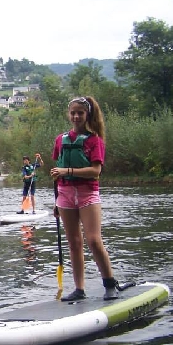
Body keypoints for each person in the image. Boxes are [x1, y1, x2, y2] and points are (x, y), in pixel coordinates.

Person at [50, 96, 118, 301]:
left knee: (94, 240)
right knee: (74, 242)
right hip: (65, 195)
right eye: (73, 112)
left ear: (87, 114)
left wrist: (67, 170)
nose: (76, 116)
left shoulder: (94, 140)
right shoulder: (60, 140)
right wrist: (56, 201)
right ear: (68, 114)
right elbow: (56, 171)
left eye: (80, 112)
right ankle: (79, 289)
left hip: (88, 194)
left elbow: (95, 171)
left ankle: (109, 283)